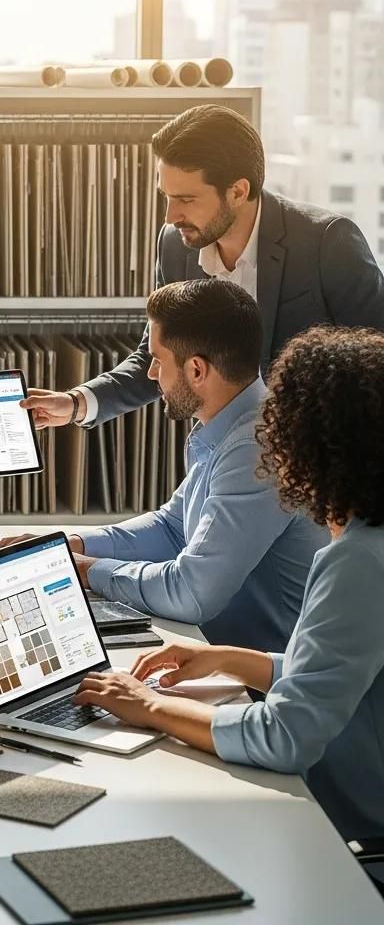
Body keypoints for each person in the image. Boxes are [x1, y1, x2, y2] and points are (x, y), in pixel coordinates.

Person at [73, 325, 384, 849]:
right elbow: (344, 668)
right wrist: (231, 659)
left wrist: (149, 706)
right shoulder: (369, 542)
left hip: (352, 819)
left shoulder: (357, 561)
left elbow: (285, 736)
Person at [4, 279, 326, 654]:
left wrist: (85, 570)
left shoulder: (256, 448)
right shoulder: (232, 425)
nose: (152, 374)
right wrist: (69, 544)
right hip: (210, 650)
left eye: (157, 359)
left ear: (196, 371)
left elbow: (191, 592)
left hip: (257, 683)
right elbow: (173, 528)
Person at [21, 103, 384, 431]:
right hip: (220, 454)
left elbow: (375, 364)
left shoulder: (327, 243)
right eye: (167, 197)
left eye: (186, 199)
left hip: (318, 463)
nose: (171, 216)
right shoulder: (175, 246)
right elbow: (160, 358)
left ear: (238, 191)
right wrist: (75, 404)